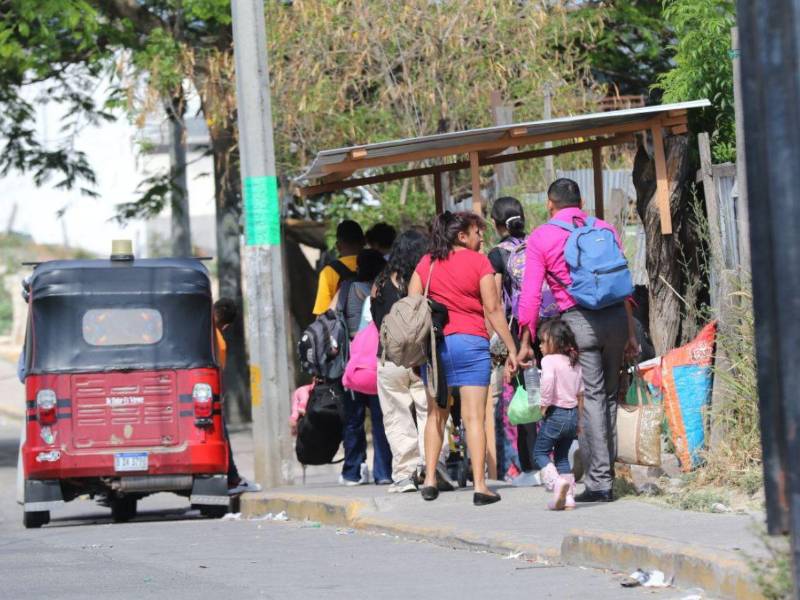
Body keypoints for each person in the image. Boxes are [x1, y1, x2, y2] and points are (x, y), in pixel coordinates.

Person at [517, 178, 638, 503]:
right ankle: (605, 473)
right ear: (581, 201)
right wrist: (629, 331)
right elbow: (622, 282)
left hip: (579, 320)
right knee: (608, 397)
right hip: (615, 317)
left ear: (549, 203)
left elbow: (529, 297)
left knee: (594, 398)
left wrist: (525, 338)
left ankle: (600, 483)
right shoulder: (605, 228)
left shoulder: (542, 237)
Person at [409, 211, 518, 506]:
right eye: (476, 233)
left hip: (437, 347)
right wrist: (511, 348)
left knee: (436, 414)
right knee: (473, 418)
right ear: (462, 235)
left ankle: (430, 479)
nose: (481, 238)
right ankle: (480, 487)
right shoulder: (479, 262)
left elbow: (412, 303)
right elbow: (494, 310)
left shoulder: (427, 262)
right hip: (471, 343)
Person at [371, 230, 432, 493]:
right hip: (421, 357)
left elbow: (376, 321)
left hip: (390, 357)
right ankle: (430, 467)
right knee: (427, 411)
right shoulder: (425, 280)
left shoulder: (381, 283)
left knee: (396, 416)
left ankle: (405, 474)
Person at [486, 196, 540, 486]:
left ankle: (514, 467)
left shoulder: (496, 254)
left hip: (515, 334)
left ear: (496, 224)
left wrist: (501, 344)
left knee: (511, 400)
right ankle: (548, 459)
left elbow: (493, 303)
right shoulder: (536, 244)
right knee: (540, 394)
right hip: (544, 331)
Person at [335, 249, 393, 486]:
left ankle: (352, 471)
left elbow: (336, 318)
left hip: (354, 362)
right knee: (381, 420)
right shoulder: (384, 290)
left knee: (353, 420)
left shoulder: (347, 288)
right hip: (378, 361)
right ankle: (383, 472)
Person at [532, 319, 583, 511]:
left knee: (540, 453)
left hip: (556, 413)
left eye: (544, 342)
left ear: (555, 342)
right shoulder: (575, 362)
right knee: (562, 457)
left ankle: (556, 484)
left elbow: (548, 381)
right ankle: (568, 497)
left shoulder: (549, 361)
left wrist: (544, 404)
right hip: (572, 416)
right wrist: (580, 421)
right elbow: (581, 393)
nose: (540, 346)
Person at [213, 298, 262, 495]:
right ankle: (232, 479)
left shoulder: (194, 326)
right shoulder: (220, 343)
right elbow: (217, 372)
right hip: (209, 397)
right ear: (226, 326)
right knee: (223, 436)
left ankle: (232, 477)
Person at [312, 220, 365, 316]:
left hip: (343, 329)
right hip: (374, 329)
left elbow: (322, 314)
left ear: (338, 246)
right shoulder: (378, 267)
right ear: (363, 242)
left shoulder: (329, 272)